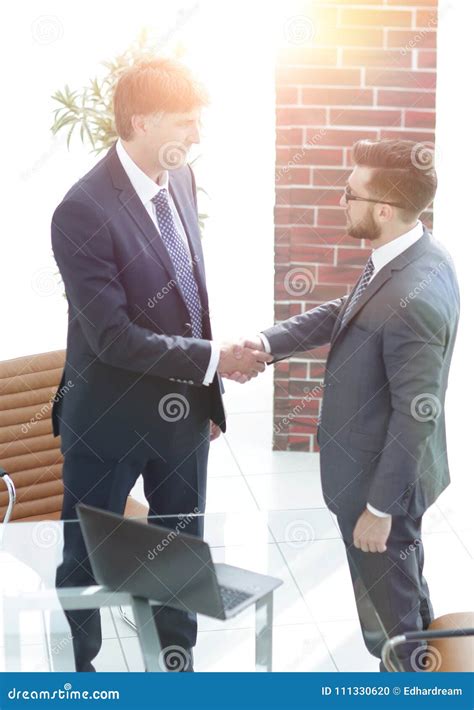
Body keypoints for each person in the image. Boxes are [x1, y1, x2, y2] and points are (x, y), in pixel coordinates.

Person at [51, 57, 271, 672]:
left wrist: (209, 400)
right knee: (85, 555)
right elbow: (114, 338)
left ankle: (178, 670)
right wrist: (213, 362)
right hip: (107, 422)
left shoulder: (181, 179)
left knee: (180, 550)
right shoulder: (81, 211)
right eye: (185, 122)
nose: (197, 135)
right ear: (142, 122)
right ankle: (83, 666)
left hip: (182, 417)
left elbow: (190, 295)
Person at [244, 139, 460, 671]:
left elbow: (416, 412)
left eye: (350, 194)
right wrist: (269, 344)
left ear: (382, 210)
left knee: (390, 629)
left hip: (379, 486)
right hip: (387, 478)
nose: (342, 201)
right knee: (403, 599)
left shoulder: (412, 296)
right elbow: (348, 311)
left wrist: (379, 510)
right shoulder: (414, 254)